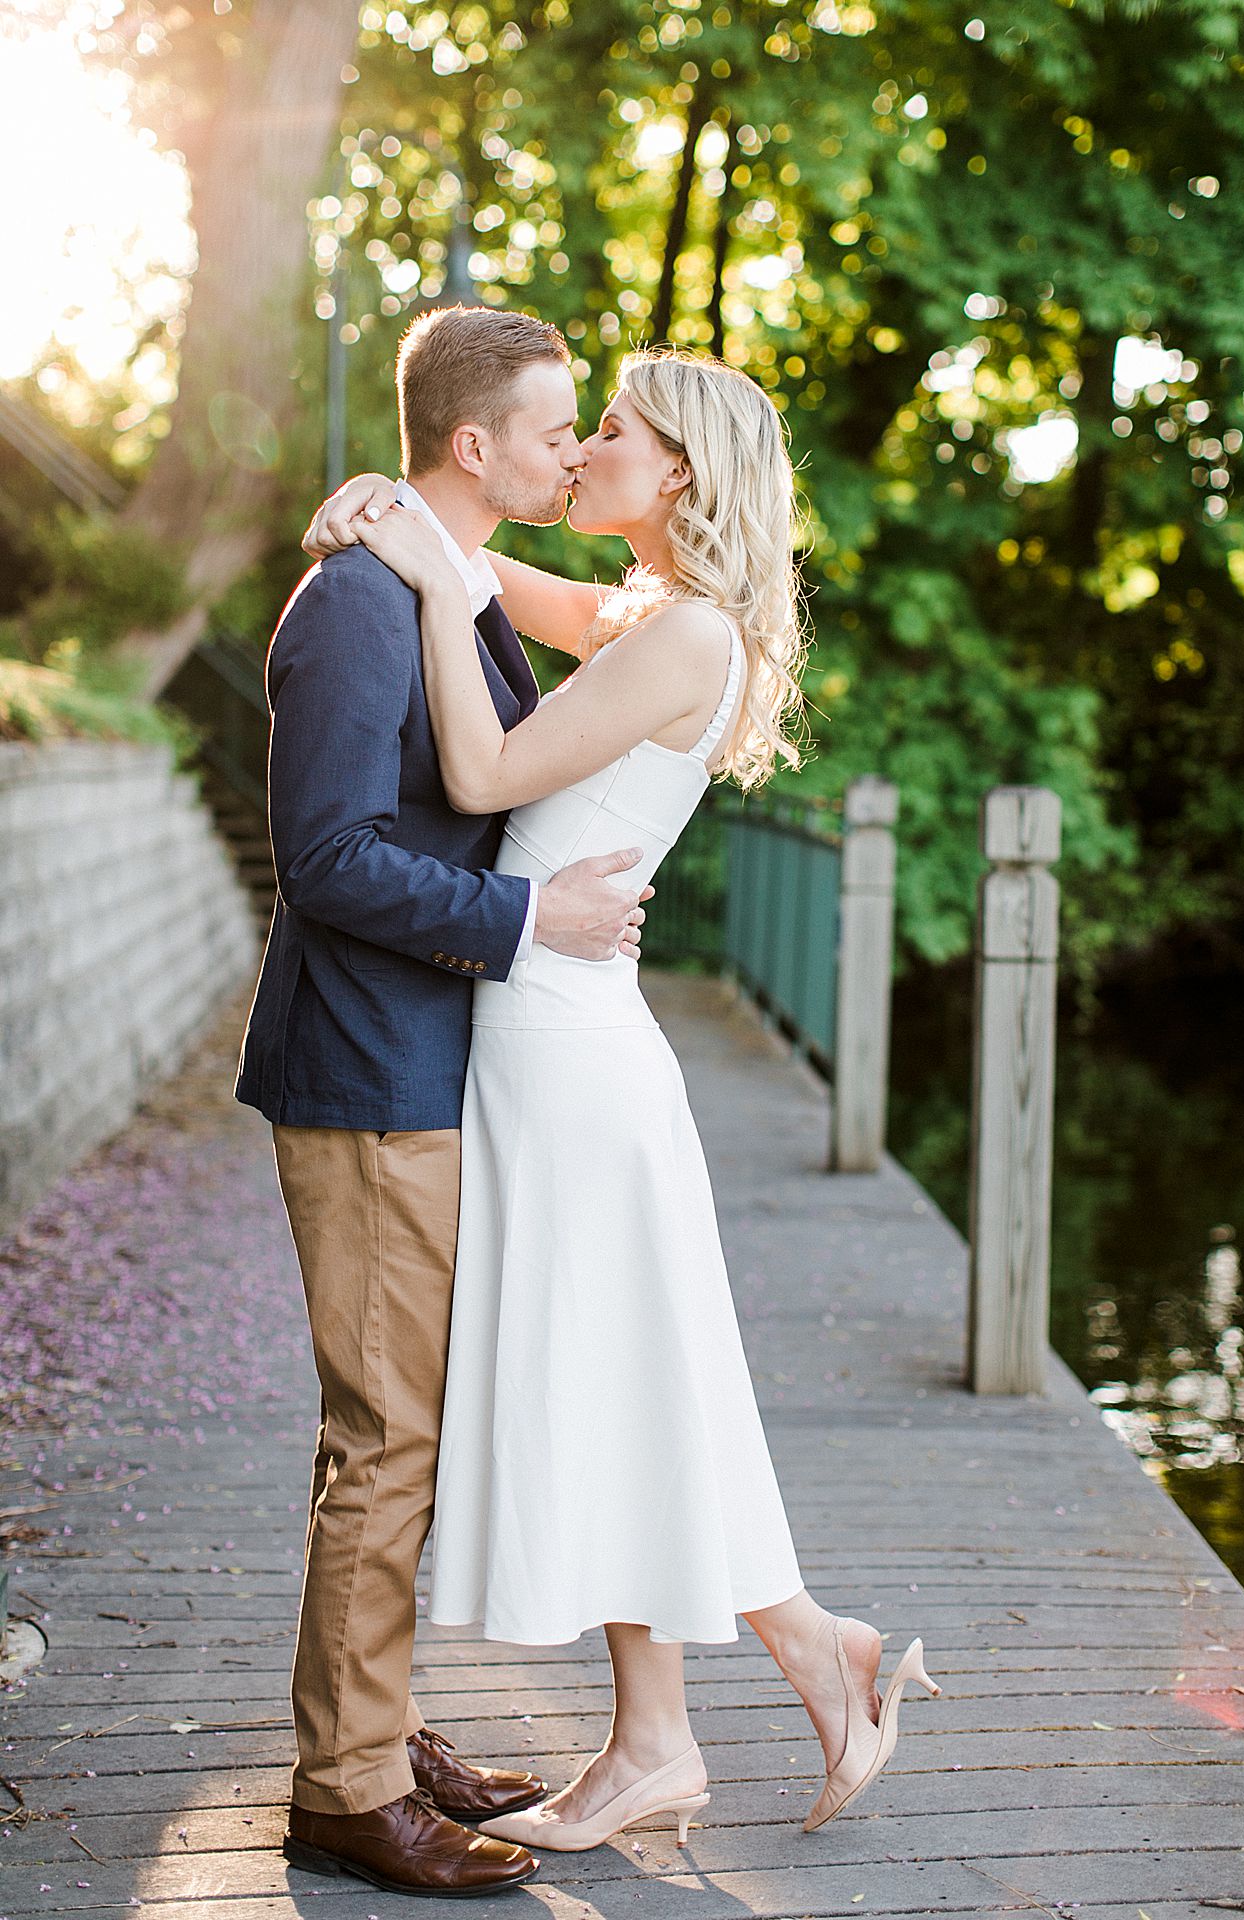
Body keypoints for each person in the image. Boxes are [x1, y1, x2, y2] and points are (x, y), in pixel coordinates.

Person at [303, 341, 940, 1855]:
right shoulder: (646, 614)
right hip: (545, 1033)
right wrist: (394, 513)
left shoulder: (682, 639)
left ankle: (747, 1685)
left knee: (612, 1383)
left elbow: (480, 766)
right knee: (617, 1382)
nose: (583, 449)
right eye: (582, 426)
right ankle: (717, 1702)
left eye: (614, 432)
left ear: (681, 476)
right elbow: (469, 555)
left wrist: (448, 591)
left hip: (568, 1048)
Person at [235, 304, 659, 1899]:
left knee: (397, 1427)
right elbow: (327, 856)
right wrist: (525, 923)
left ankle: (376, 1725)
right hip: (364, 1075)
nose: (573, 449)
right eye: (556, 427)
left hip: (425, 1068)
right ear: (473, 443)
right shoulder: (355, 602)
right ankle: (343, 1790)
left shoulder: (441, 579)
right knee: (386, 1435)